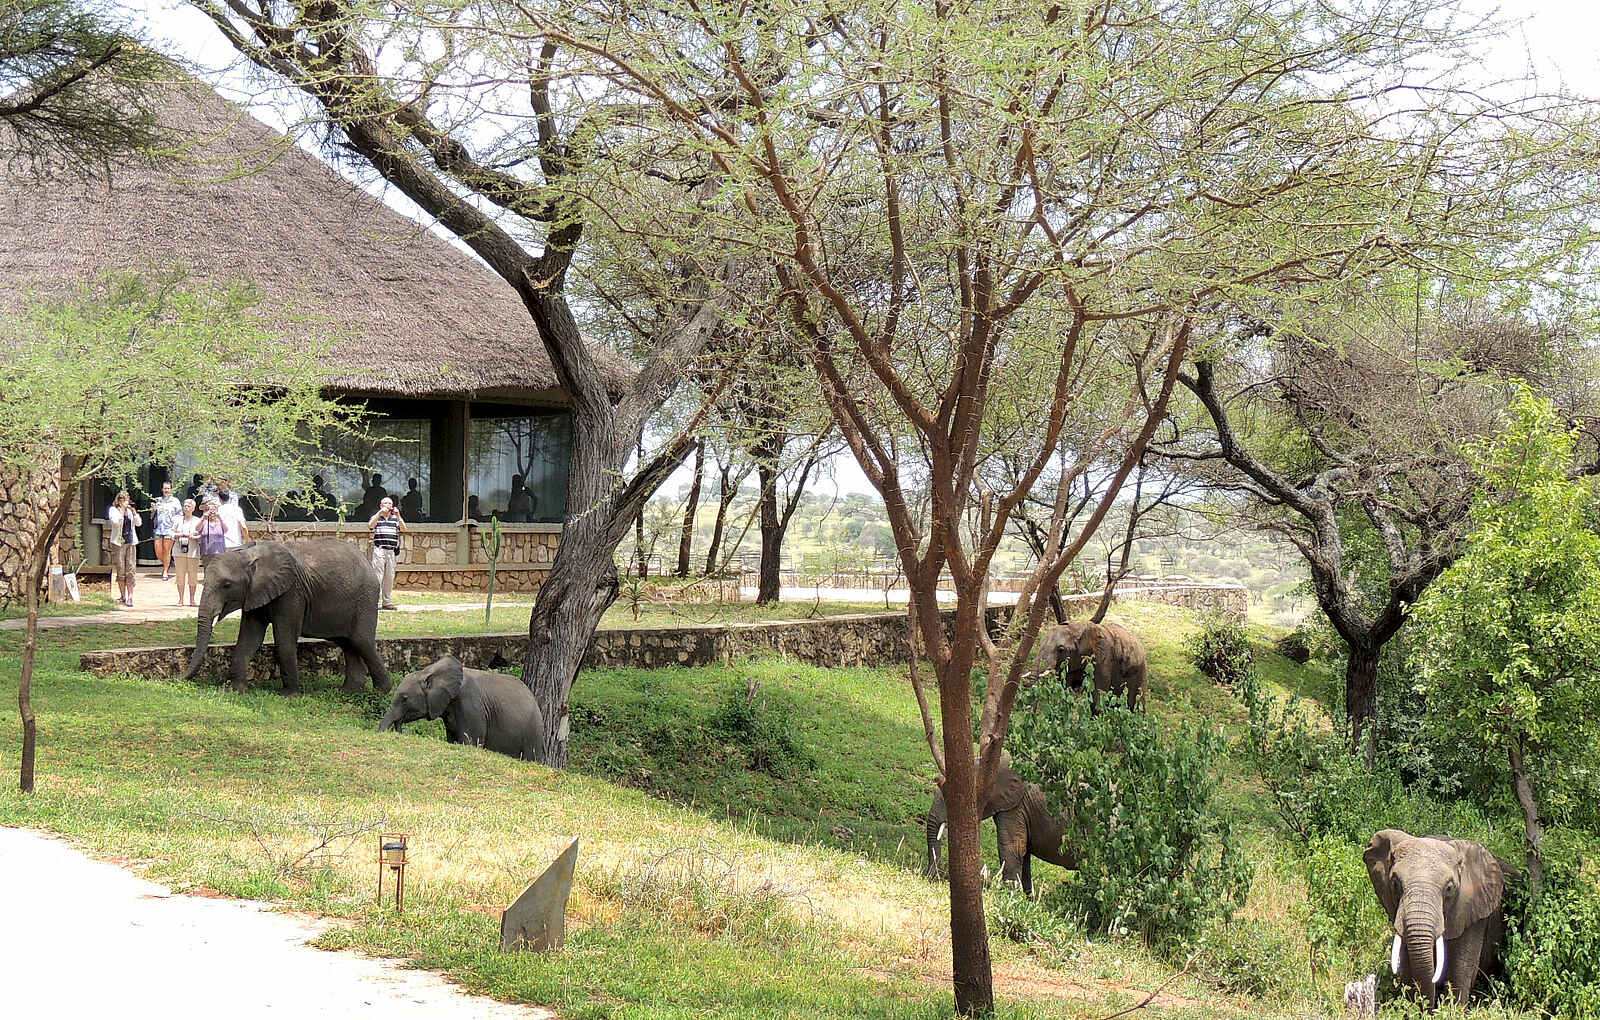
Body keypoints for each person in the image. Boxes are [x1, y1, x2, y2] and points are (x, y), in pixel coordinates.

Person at [367, 496, 406, 610]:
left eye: (389, 504)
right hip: (379, 549)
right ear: (381, 505)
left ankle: (387, 602)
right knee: (378, 576)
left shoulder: (395, 518)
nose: (387, 506)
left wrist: (398, 515)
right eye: (385, 504)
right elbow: (370, 525)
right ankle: (376, 602)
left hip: (391, 551)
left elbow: (403, 529)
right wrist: (379, 513)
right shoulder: (377, 517)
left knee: (389, 577)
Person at [105, 490, 141, 607]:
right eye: (124, 500)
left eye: (127, 500)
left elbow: (138, 523)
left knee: (130, 568)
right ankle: (123, 595)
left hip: (130, 542)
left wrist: (134, 513)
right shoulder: (113, 510)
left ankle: (130, 596)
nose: (126, 502)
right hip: (118, 543)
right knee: (120, 568)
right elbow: (115, 523)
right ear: (119, 501)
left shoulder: (130, 512)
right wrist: (121, 512)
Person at [170, 499, 202, 606]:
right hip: (179, 551)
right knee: (180, 575)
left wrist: (194, 537)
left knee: (193, 576)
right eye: (185, 506)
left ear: (193, 508)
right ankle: (181, 599)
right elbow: (171, 533)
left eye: (189, 506)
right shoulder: (177, 520)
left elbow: (202, 535)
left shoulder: (198, 520)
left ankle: (192, 599)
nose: (186, 507)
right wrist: (178, 535)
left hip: (193, 551)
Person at [149, 480, 183, 581]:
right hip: (158, 528)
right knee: (158, 551)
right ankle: (167, 563)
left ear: (171, 489)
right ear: (162, 489)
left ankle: (165, 571)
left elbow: (180, 515)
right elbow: (151, 516)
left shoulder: (175, 501)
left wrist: (176, 527)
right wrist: (153, 510)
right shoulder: (158, 500)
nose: (166, 490)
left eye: (168, 488)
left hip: (170, 529)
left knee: (167, 551)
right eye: (165, 488)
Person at [197, 499, 228, 579]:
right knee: (207, 571)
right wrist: (203, 517)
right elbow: (197, 529)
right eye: (208, 510)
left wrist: (219, 517)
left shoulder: (220, 522)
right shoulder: (204, 521)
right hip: (206, 552)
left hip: (219, 552)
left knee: (219, 571)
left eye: (213, 510)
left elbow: (226, 529)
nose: (211, 512)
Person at [215, 481, 250, 549]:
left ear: (219, 498)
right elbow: (243, 526)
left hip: (221, 545)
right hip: (235, 544)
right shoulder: (237, 509)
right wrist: (247, 541)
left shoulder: (217, 510)